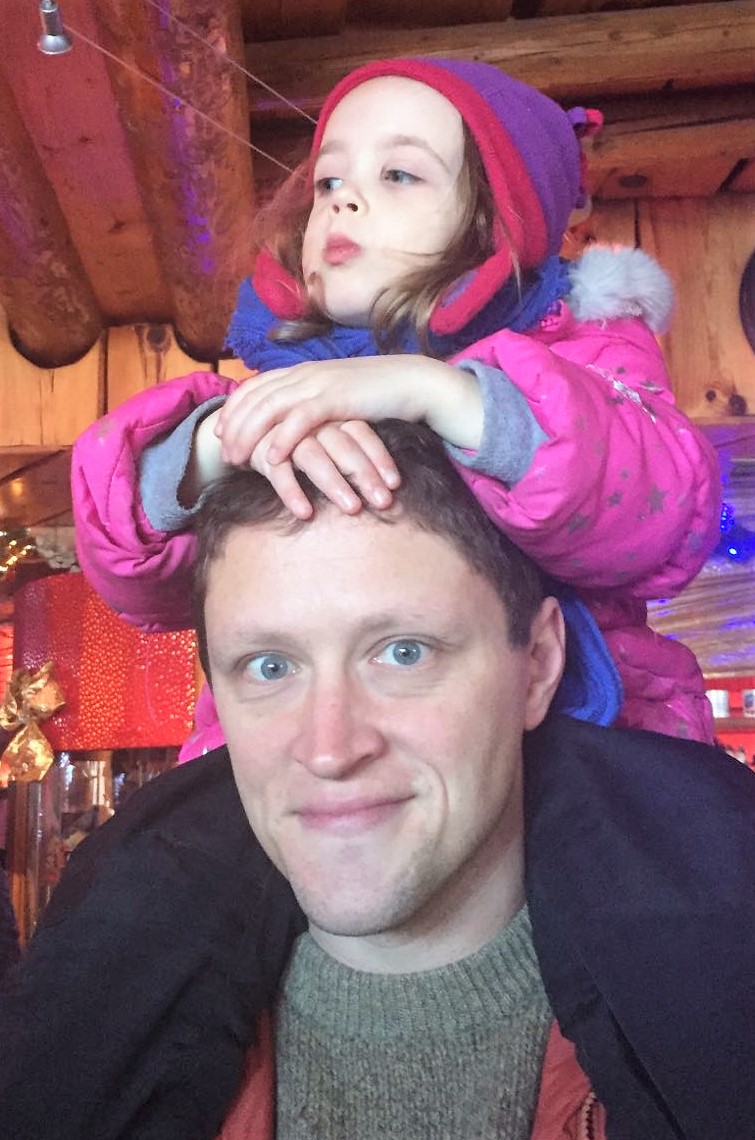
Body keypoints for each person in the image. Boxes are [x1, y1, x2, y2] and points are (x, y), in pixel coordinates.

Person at [4, 422, 755, 1140]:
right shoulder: (75, 1048)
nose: (330, 749)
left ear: (537, 666)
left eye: (404, 653)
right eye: (270, 666)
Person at [71, 57, 721, 762]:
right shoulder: (288, 386)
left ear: (498, 214)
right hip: (299, 750)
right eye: (328, 181)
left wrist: (436, 391)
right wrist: (223, 441)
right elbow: (136, 580)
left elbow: (659, 515)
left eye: (400, 174)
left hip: (577, 752)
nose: (343, 200)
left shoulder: (584, 352)